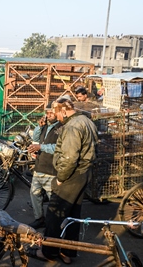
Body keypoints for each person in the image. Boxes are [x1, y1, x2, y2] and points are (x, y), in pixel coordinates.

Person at [27, 97, 98, 264]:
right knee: (73, 216)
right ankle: (67, 252)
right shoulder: (86, 121)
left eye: (57, 114)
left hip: (72, 175)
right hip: (84, 173)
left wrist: (60, 179)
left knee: (54, 214)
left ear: (64, 111)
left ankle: (49, 252)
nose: (57, 118)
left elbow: (69, 158)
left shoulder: (72, 127)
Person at [26, 103, 62, 229]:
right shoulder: (45, 126)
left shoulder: (61, 128)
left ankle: (54, 222)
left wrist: (41, 147)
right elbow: (36, 138)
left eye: (51, 113)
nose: (49, 115)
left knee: (52, 197)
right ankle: (39, 219)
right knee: (34, 194)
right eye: (47, 113)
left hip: (51, 169)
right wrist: (38, 127)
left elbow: (58, 148)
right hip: (40, 166)